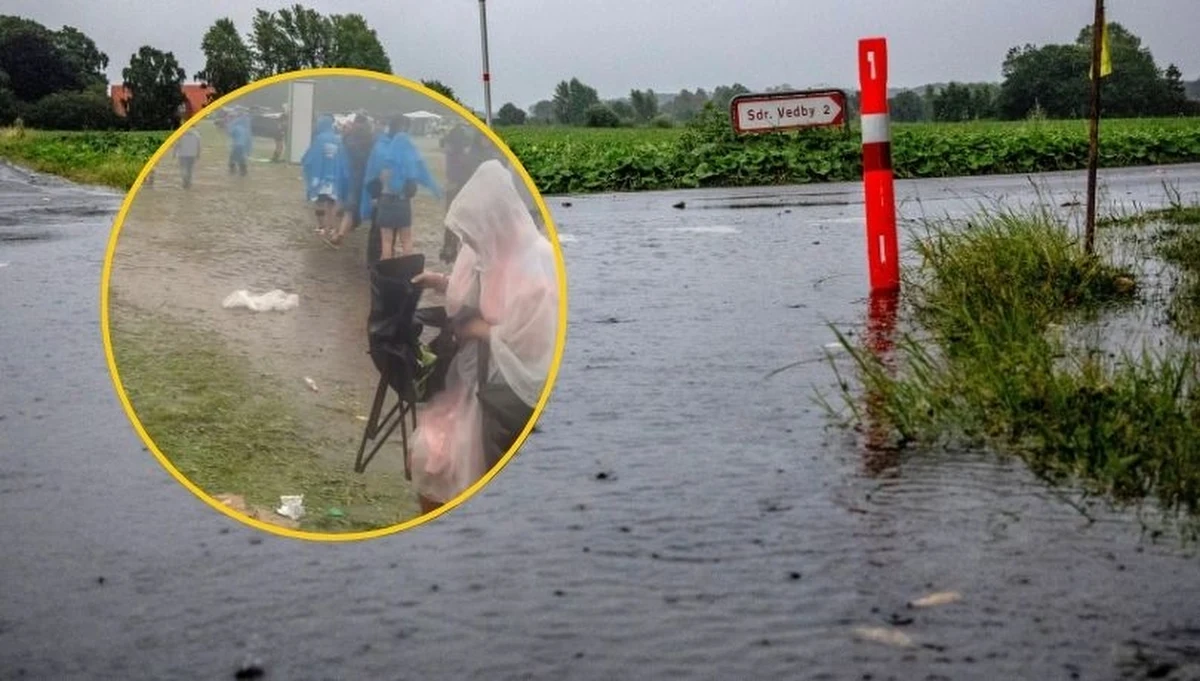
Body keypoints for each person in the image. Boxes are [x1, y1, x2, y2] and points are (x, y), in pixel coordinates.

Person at [407, 160, 559, 515]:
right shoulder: (491, 252)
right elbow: (479, 292)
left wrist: (481, 330)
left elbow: (537, 342)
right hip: (472, 374)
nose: (473, 242)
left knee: (468, 459)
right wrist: (441, 282)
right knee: (434, 450)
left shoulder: (536, 263)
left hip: (501, 387)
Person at [375, 115, 441, 260]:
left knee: (386, 241)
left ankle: (385, 272)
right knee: (406, 240)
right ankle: (408, 271)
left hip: (386, 201)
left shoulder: (386, 160)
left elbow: (380, 179)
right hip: (403, 202)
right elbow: (421, 175)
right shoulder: (409, 162)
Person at [327, 113, 375, 247]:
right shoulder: (371, 140)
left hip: (346, 176)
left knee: (342, 204)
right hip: (362, 177)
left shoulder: (347, 139)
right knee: (352, 207)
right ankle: (341, 232)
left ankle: (336, 232)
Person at [302, 114, 344, 239]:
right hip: (334, 179)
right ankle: (331, 227)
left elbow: (310, 158)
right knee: (332, 204)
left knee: (320, 203)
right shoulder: (338, 139)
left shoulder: (319, 139)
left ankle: (321, 227)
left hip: (320, 178)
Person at [438, 123, 471, 263]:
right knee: (458, 221)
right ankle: (452, 249)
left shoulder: (452, 153)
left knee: (452, 220)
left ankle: (449, 249)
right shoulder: (460, 154)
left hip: (453, 188)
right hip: (459, 188)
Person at [173, 124, 202, 189]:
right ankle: (188, 182)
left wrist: (174, 153)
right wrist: (198, 154)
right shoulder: (196, 134)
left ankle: (184, 180)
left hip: (182, 154)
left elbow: (177, 144)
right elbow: (199, 146)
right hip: (192, 155)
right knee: (190, 169)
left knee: (183, 168)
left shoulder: (181, 133)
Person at [228, 112, 251, 177]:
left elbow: (230, 134)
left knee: (232, 160)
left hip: (236, 146)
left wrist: (231, 124)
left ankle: (232, 172)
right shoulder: (246, 129)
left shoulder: (236, 127)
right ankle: (243, 173)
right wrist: (248, 151)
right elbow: (249, 141)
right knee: (242, 160)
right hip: (243, 147)